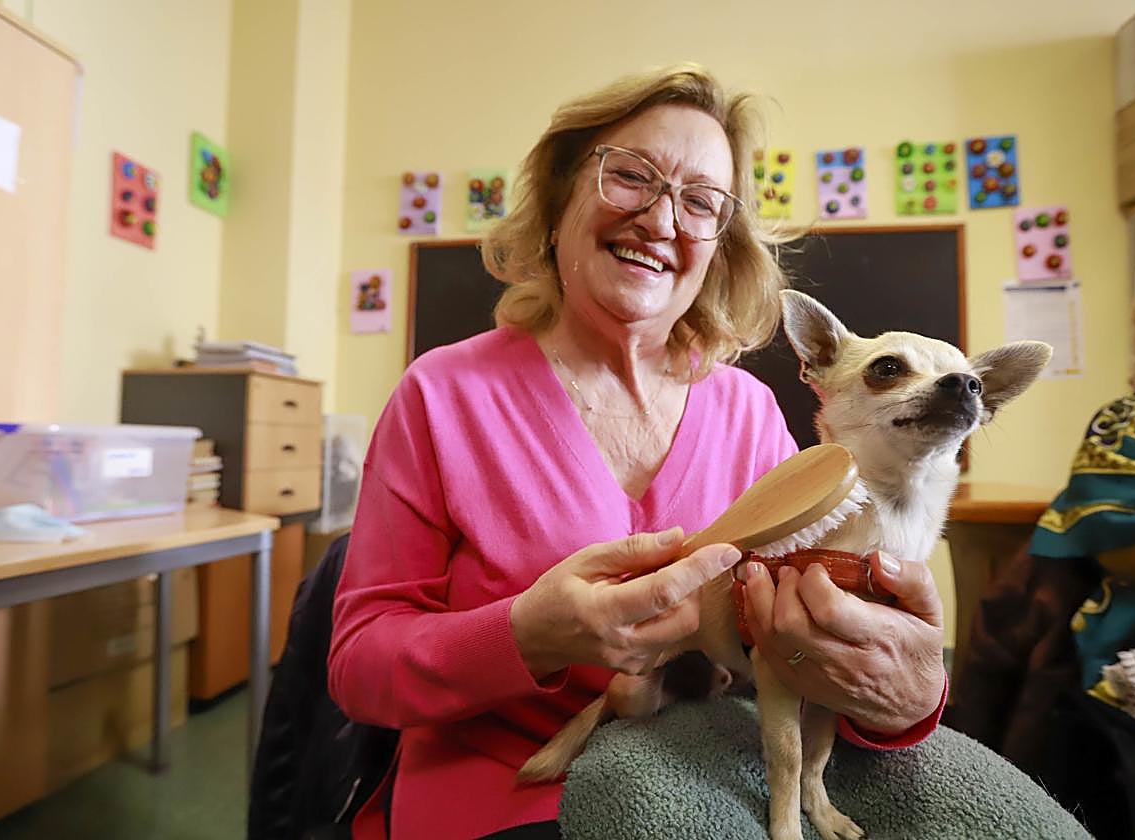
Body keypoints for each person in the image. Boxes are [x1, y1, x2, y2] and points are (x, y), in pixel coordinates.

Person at [326, 63, 947, 840]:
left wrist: (905, 699)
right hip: (502, 797)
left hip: (710, 778)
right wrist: (528, 635)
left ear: (718, 249)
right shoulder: (442, 396)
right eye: (632, 176)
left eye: (701, 203)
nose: (662, 220)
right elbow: (357, 669)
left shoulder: (751, 413)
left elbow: (808, 650)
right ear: (559, 203)